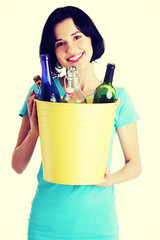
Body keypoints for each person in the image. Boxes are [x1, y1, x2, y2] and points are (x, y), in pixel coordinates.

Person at [12, 6, 142, 240]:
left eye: (77, 37)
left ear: (92, 38)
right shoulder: (41, 93)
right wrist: (34, 133)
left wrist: (108, 180)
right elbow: (17, 166)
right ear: (53, 52)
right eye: (60, 43)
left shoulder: (115, 98)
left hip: (98, 226)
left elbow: (135, 165)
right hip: (46, 224)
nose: (70, 48)